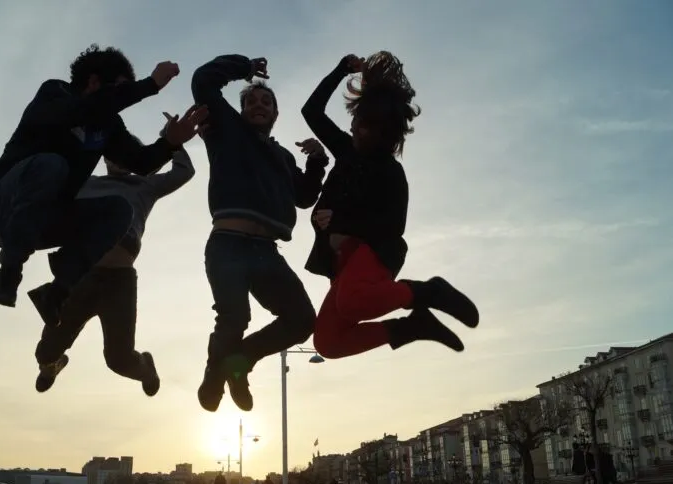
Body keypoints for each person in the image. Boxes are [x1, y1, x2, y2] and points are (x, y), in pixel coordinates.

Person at [0, 43, 206, 326]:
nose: (120, 100)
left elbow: (140, 162)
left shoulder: (107, 126)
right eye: (118, 90)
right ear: (94, 81)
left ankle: (57, 294)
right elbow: (83, 109)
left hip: (43, 221)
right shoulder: (55, 93)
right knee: (52, 164)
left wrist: (170, 143)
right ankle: (9, 272)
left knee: (119, 210)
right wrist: (149, 85)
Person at [300, 53, 479, 360]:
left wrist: (341, 221)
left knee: (350, 303)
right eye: (357, 121)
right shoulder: (346, 150)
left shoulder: (389, 172)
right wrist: (341, 70)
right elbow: (311, 111)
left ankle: (428, 291)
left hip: (377, 254)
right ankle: (412, 327)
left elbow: (394, 228)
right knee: (327, 343)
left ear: (386, 135)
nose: (356, 129)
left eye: (367, 127)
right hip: (341, 264)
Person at [191, 54, 328, 412]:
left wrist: (316, 162)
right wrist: (244, 68)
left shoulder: (283, 157)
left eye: (266, 101)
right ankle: (214, 373)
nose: (258, 105)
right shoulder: (227, 130)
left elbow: (304, 197)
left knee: (302, 320)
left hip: (266, 252)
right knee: (234, 317)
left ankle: (238, 363)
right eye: (250, 101)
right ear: (241, 110)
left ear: (275, 114)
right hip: (227, 245)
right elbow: (203, 81)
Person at [30, 118, 197, 393]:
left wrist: (172, 139)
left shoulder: (145, 186)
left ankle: (145, 367)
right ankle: (53, 364)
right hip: (80, 278)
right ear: (105, 158)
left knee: (118, 360)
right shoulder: (86, 184)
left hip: (118, 282)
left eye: (127, 155)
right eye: (114, 154)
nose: (120, 160)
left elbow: (183, 172)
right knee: (45, 352)